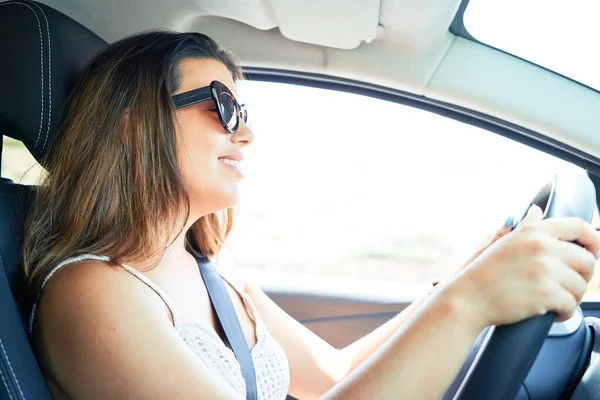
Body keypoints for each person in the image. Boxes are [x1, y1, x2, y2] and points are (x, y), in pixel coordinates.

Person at [22, 31, 599, 400]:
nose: (246, 132)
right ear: (131, 128)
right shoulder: (90, 291)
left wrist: (463, 278)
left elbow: (329, 372)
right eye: (222, 108)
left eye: (242, 110)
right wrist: (470, 302)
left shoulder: (210, 271)